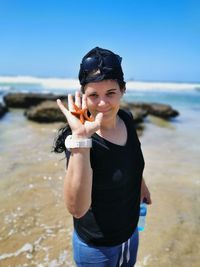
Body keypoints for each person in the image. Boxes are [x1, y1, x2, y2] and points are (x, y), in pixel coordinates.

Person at [53, 47, 152, 267]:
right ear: (83, 95)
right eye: (93, 95)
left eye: (110, 93)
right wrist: (81, 138)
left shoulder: (126, 118)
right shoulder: (79, 138)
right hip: (98, 248)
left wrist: (141, 185)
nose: (102, 104)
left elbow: (132, 158)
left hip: (130, 232)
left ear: (123, 90)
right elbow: (77, 209)